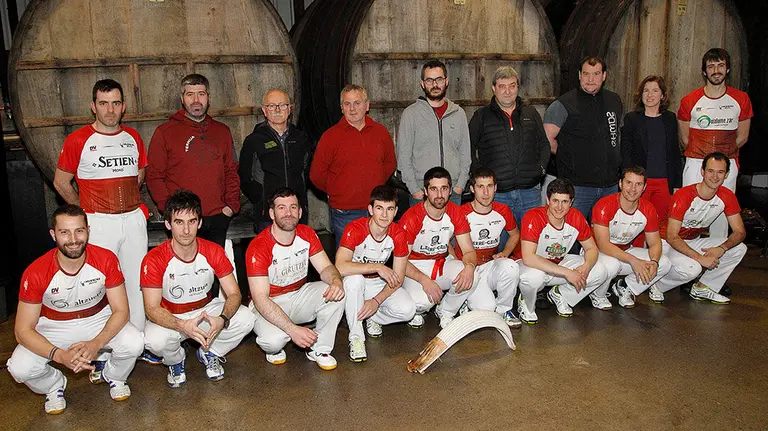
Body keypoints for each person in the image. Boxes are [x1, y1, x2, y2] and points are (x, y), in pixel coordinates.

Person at [6, 205, 143, 414]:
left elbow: (121, 310)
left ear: (88, 231)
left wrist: (97, 343)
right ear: (53, 235)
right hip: (54, 325)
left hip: (97, 318)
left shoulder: (106, 259)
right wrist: (59, 356)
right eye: (64, 232)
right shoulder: (36, 271)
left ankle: (114, 376)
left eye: (79, 231)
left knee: (135, 342)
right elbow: (22, 330)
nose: (73, 239)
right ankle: (54, 385)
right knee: (19, 368)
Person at [53, 79, 149, 335]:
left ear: (123, 106)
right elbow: (61, 182)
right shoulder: (78, 140)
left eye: (115, 103)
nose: (110, 110)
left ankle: (137, 338)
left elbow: (139, 174)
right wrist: (83, 213)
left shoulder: (133, 137)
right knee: (100, 282)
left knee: (136, 282)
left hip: (132, 219)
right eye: (103, 103)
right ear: (93, 106)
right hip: (99, 221)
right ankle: (104, 343)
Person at [141, 190, 254, 387]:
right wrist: (181, 325)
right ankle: (176, 360)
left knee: (246, 318)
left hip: (204, 311)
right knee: (154, 340)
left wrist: (222, 319)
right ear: (168, 224)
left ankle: (210, 352)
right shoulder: (154, 258)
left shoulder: (213, 250)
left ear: (200, 223)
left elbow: (234, 293)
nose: (186, 230)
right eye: (179, 222)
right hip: (171, 315)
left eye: (192, 221)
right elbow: (151, 308)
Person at [246, 188, 345, 370]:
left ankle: (319, 349)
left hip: (298, 294)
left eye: (293, 207)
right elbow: (260, 299)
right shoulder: (258, 246)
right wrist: (292, 330)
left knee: (337, 292)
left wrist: (336, 282)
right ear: (272, 213)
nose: (288, 213)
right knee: (274, 341)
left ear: (300, 212)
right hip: (268, 302)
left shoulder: (307, 233)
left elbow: (325, 268)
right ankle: (275, 347)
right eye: (281, 208)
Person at [146, 73, 241, 249]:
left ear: (208, 98)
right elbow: (154, 176)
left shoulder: (222, 131)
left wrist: (230, 206)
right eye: (190, 94)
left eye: (201, 94)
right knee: (184, 265)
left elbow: (231, 170)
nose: (196, 100)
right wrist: (170, 210)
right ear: (182, 99)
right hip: (183, 220)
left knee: (214, 265)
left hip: (217, 217)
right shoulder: (164, 132)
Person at [309, 84, 396, 249]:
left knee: (376, 255)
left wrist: (374, 183)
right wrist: (336, 190)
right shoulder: (330, 136)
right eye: (347, 104)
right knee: (346, 258)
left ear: (367, 105)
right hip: (344, 211)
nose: (352, 108)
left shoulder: (381, 133)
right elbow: (317, 174)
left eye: (357, 103)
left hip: (376, 209)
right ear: (342, 108)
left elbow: (389, 164)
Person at [678, 48, 753, 238]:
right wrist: (703, 159)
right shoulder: (689, 100)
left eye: (720, 65)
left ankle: (717, 251)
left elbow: (743, 137)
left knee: (721, 212)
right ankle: (687, 253)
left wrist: (720, 161)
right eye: (711, 66)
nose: (716, 70)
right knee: (689, 211)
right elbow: (685, 139)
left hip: (727, 164)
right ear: (704, 71)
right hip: (696, 162)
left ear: (727, 69)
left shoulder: (741, 99)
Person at [335, 185, 415, 362]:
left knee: (408, 311)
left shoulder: (398, 233)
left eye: (389, 209)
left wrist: (376, 301)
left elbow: (398, 278)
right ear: (370, 210)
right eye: (379, 208)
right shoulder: (355, 228)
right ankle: (356, 338)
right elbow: (340, 267)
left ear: (396, 212)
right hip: (354, 280)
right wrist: (377, 267)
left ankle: (372, 316)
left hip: (377, 281)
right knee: (354, 281)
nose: (384, 215)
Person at [655, 153, 747, 303]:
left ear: (726, 175)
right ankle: (656, 286)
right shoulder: (684, 195)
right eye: (711, 171)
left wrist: (722, 248)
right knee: (693, 269)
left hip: (691, 241)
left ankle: (703, 287)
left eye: (720, 172)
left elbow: (740, 232)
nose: (715, 177)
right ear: (702, 172)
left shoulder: (727, 196)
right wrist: (700, 259)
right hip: (666, 243)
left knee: (739, 248)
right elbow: (672, 236)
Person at [543, 56, 624, 221]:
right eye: (586, 74)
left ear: (604, 76)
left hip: (610, 185)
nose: (590, 79)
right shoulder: (563, 104)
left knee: (606, 232)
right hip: (577, 187)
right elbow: (547, 139)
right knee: (573, 231)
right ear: (579, 75)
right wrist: (570, 156)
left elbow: (617, 134)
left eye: (596, 74)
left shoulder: (614, 100)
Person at [517, 179, 608, 323]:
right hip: (529, 266)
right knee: (534, 277)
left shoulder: (576, 216)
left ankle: (561, 294)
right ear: (547, 200)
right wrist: (567, 273)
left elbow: (591, 248)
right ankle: (526, 303)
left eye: (565, 201)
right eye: (555, 201)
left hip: (558, 265)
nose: (559, 207)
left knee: (600, 270)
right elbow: (529, 258)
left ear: (571, 202)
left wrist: (586, 266)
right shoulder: (533, 216)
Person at [469, 66, 550, 226]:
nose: (507, 91)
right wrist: (481, 178)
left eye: (512, 86)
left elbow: (544, 145)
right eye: (502, 86)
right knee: (501, 241)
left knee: (531, 238)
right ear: (494, 88)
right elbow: (468, 150)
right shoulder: (481, 116)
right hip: (498, 195)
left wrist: (540, 170)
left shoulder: (531, 113)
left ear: (517, 87)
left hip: (530, 193)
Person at [399, 167, 478, 329]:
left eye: (444, 188)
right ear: (425, 191)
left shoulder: (456, 212)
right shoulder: (412, 217)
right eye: (434, 189)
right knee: (420, 303)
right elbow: (400, 261)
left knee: (473, 276)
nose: (439, 194)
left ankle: (446, 311)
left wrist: (470, 267)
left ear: (450, 191)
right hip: (414, 265)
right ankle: (418, 308)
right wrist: (424, 280)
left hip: (442, 261)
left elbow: (469, 251)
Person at [590, 167, 672, 308]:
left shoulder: (648, 208)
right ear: (620, 183)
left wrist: (654, 262)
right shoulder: (604, 205)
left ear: (644, 187)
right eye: (629, 183)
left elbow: (655, 243)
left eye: (638, 184)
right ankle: (597, 294)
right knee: (612, 265)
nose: (633, 189)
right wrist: (634, 261)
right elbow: (603, 245)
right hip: (597, 252)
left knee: (664, 263)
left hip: (625, 251)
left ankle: (625, 286)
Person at [397, 60, 471, 207]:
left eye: (439, 79)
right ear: (423, 84)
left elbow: (465, 153)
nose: (435, 84)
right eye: (429, 80)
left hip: (452, 192)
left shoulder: (458, 114)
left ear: (446, 81)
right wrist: (414, 189)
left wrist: (460, 185)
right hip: (422, 192)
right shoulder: (410, 114)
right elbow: (403, 157)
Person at [239, 89, 313, 230]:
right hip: (267, 215)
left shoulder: (301, 138)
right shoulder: (254, 141)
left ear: (289, 109)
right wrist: (261, 198)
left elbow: (308, 171)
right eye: (272, 106)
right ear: (264, 110)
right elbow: (244, 176)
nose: (277, 110)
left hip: (296, 213)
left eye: (282, 105)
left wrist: (300, 195)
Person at [458, 168, 521, 327]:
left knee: (511, 266)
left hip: (490, 266)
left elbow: (515, 234)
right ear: (472, 189)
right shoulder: (461, 212)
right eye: (480, 187)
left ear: (495, 188)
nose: (486, 193)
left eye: (489, 186)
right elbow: (446, 243)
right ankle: (462, 299)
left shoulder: (503, 210)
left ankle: (504, 310)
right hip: (468, 269)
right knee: (486, 308)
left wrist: (505, 252)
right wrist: (457, 265)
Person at [621, 75, 682, 222]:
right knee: (637, 221)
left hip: (664, 182)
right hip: (639, 182)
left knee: (660, 223)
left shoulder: (670, 118)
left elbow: (675, 153)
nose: (650, 95)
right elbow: (625, 152)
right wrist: (627, 181)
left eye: (655, 90)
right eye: (646, 90)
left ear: (662, 95)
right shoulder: (632, 119)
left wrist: (677, 184)